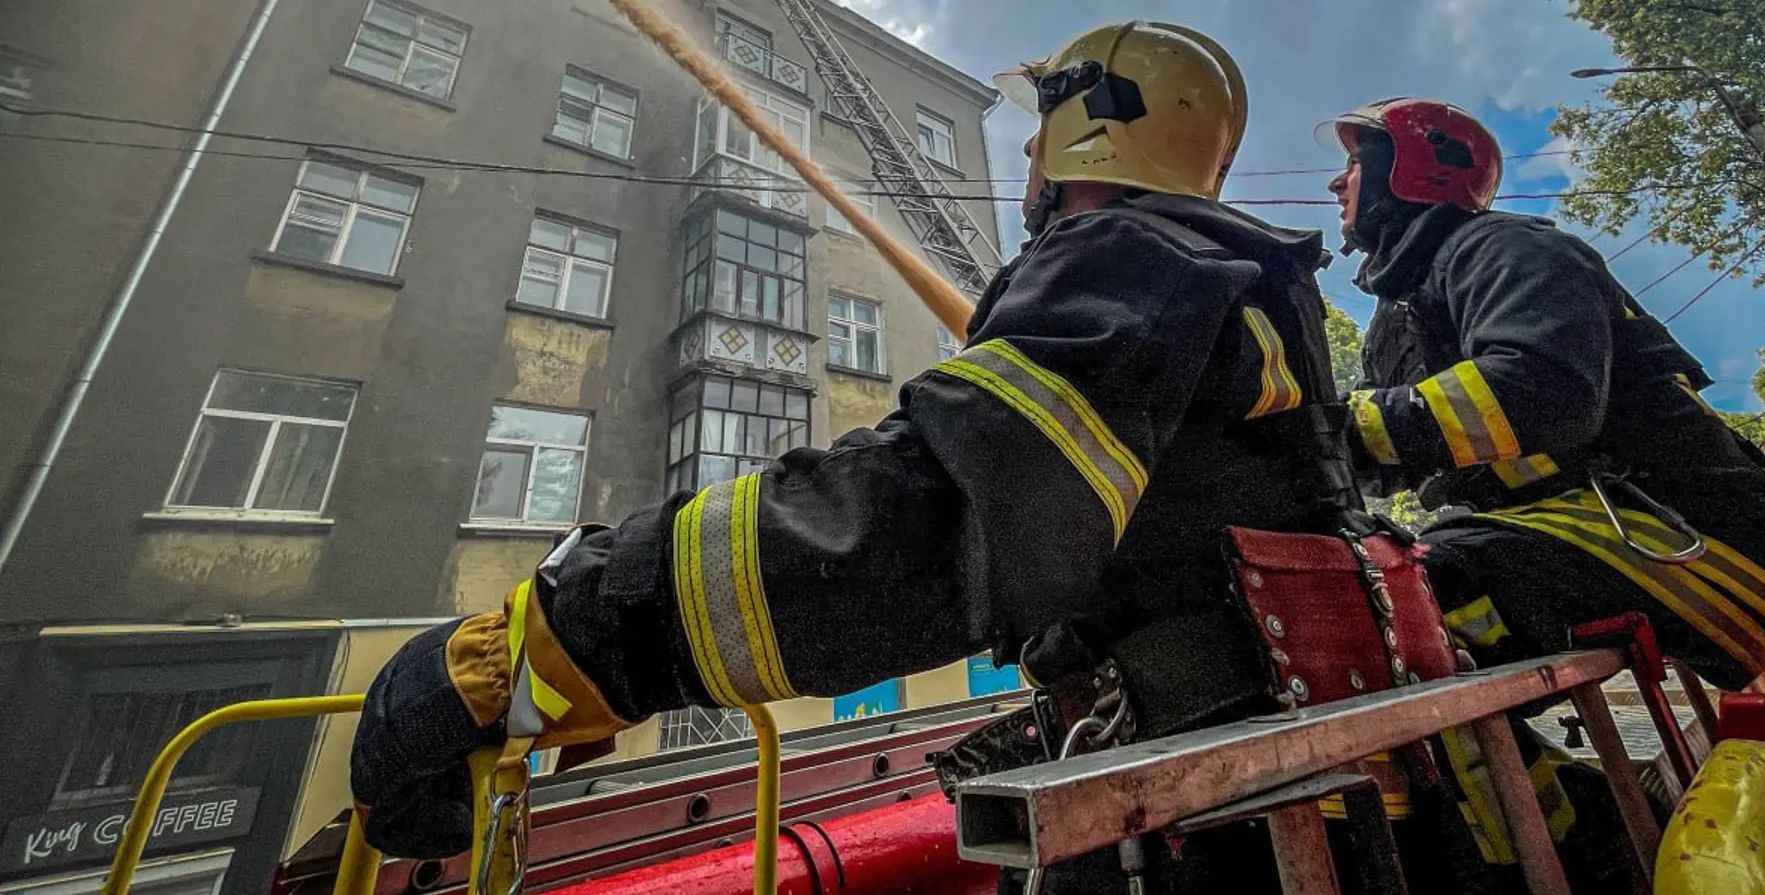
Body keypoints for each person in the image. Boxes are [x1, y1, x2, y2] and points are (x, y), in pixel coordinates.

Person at [353, 22, 1366, 891]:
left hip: (1203, 821)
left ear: (1074, 130)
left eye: (1031, 145)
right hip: (1261, 771)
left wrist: (568, 636)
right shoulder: (1236, 290)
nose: (1023, 171)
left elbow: (933, 518)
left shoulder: (1128, 264)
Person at [1323, 97, 1765, 885]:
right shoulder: (1403, 318)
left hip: (1700, 547)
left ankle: (1528, 870)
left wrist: (1336, 426)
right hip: (1599, 537)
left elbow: (1543, 390)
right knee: (1348, 588)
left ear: (1413, 166)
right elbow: (1387, 447)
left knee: (1400, 601)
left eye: (1355, 165)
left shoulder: (1505, 250)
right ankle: (1587, 831)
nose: (1336, 183)